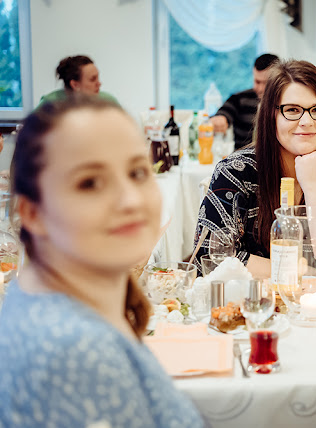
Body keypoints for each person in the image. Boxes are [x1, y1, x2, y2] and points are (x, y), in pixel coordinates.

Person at [0, 96, 204, 427]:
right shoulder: (76, 352)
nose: (130, 200)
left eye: (137, 172)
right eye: (90, 182)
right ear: (32, 213)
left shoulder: (52, 298)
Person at [194, 60, 316, 282]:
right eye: (292, 110)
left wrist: (315, 187)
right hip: (251, 302)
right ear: (271, 115)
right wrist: (304, 272)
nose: (306, 121)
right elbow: (210, 258)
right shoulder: (236, 172)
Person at [211, 53, 280, 149]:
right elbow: (224, 113)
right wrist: (220, 119)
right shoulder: (240, 99)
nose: (260, 89)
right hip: (242, 156)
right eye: (257, 82)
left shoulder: (285, 102)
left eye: (267, 83)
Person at [38, 55, 119, 107]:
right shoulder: (49, 104)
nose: (99, 83)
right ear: (75, 85)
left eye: (98, 78)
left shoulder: (108, 102)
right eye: (92, 79)